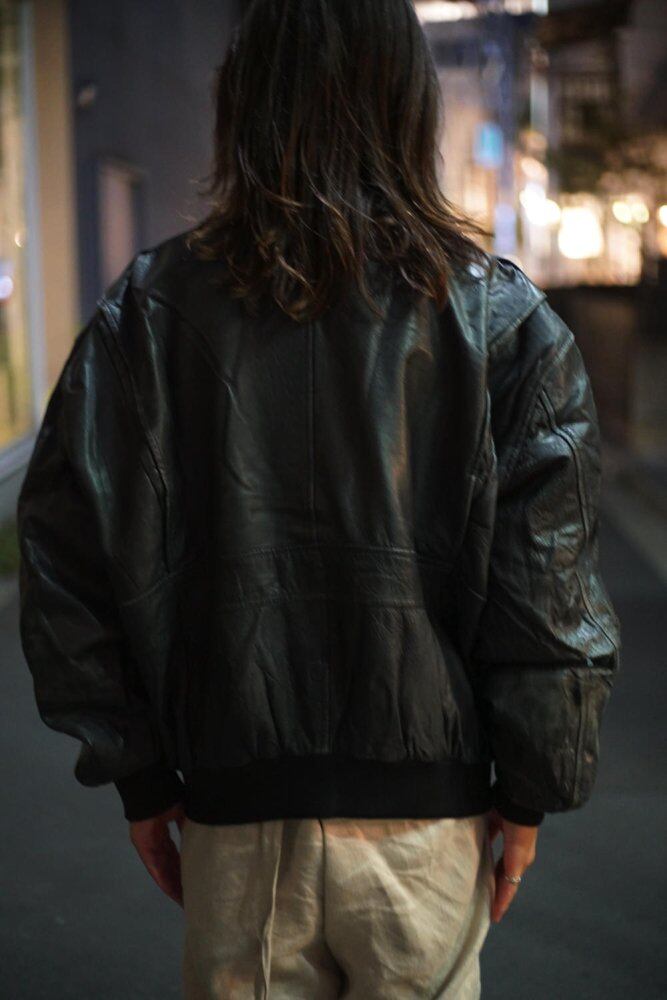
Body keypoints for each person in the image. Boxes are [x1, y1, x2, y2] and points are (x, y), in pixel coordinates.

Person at [16, 1, 621, 997]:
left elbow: (63, 557)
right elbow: (546, 584)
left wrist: (140, 774)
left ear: (241, 100)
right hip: (426, 828)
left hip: (234, 818)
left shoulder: (149, 314)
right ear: (409, 103)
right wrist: (529, 791)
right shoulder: (502, 324)